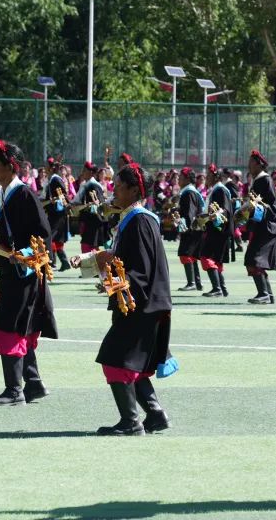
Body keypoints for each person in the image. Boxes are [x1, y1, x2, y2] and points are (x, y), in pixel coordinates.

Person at [72, 164, 172, 436]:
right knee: (130, 362)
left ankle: (131, 422)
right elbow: (124, 261)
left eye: (117, 186)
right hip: (143, 302)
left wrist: (111, 284)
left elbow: (140, 271)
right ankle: (156, 415)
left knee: (115, 358)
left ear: (134, 190)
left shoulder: (139, 220)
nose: (112, 190)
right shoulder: (135, 218)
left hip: (141, 304)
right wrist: (95, 265)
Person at [0, 140, 57, 406]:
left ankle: (14, 390)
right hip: (11, 269)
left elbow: (43, 235)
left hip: (24, 273)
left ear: (10, 166)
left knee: (10, 325)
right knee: (20, 325)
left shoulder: (24, 194)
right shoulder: (2, 192)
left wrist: (25, 255)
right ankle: (34, 383)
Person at [244, 151, 276, 304]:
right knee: (256, 260)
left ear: (259, 164)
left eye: (251, 162)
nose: (248, 165)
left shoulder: (264, 180)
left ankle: (263, 294)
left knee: (253, 259)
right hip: (262, 226)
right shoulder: (258, 181)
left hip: (266, 227)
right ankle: (268, 294)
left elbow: (271, 208)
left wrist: (251, 208)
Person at [197, 164, 233, 298]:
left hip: (218, 229)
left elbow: (223, 210)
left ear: (215, 177)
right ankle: (222, 288)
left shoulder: (220, 190)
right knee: (215, 259)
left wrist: (209, 217)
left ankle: (217, 288)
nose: (206, 178)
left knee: (206, 256)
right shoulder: (216, 190)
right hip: (216, 229)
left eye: (208, 175)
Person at [175, 167, 205, 291]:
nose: (178, 179)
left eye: (181, 177)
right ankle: (197, 283)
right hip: (196, 228)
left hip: (191, 228)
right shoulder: (190, 191)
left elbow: (189, 213)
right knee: (191, 255)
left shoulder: (189, 192)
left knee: (185, 253)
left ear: (187, 179)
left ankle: (191, 283)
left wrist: (183, 227)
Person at [42, 156, 72, 272]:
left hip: (58, 214)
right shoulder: (51, 179)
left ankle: (50, 261)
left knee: (49, 236)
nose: (44, 168)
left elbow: (64, 196)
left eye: (46, 166)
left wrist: (58, 201)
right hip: (54, 213)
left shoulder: (56, 180)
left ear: (50, 168)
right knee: (56, 238)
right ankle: (64, 262)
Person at [73, 161, 108, 254]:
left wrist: (95, 204)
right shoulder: (85, 184)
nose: (82, 172)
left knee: (87, 248)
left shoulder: (94, 185)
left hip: (93, 222)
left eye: (84, 170)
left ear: (91, 172)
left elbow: (100, 203)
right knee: (90, 249)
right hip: (87, 221)